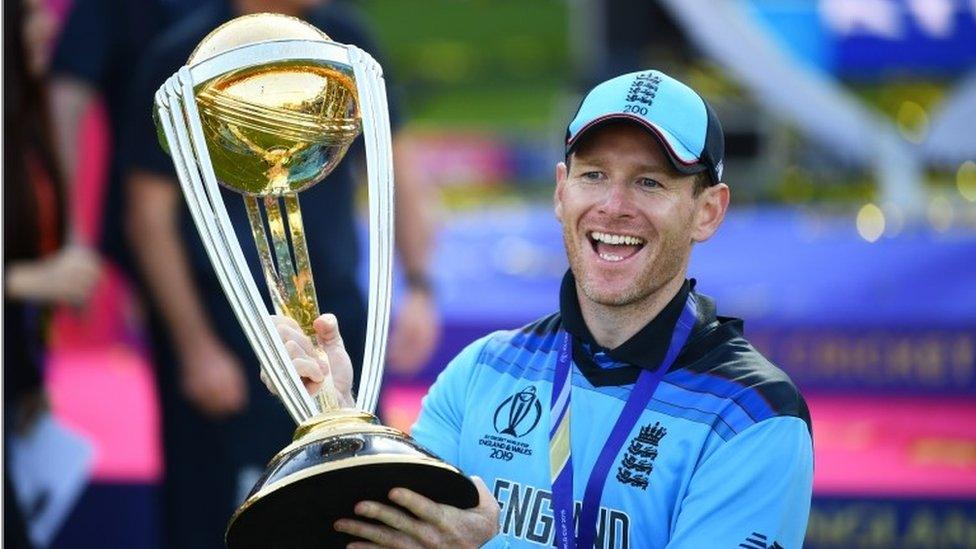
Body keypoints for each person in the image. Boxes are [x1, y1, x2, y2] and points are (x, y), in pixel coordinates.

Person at [271, 69, 814, 548]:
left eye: (649, 181)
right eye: (593, 174)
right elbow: (387, 527)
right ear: (561, 192)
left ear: (708, 211)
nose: (613, 206)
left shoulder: (754, 417)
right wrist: (339, 422)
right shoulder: (483, 370)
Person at [123, 1, 439, 547]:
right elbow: (148, 217)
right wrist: (196, 346)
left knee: (356, 503)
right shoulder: (183, 54)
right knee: (225, 515)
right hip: (229, 330)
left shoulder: (343, 38)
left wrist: (419, 286)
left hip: (338, 324)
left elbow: (396, 170)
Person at [4, 0, 101, 547]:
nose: (48, 25)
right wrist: (31, 280)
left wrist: (27, 382)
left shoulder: (25, 120)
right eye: (27, 13)